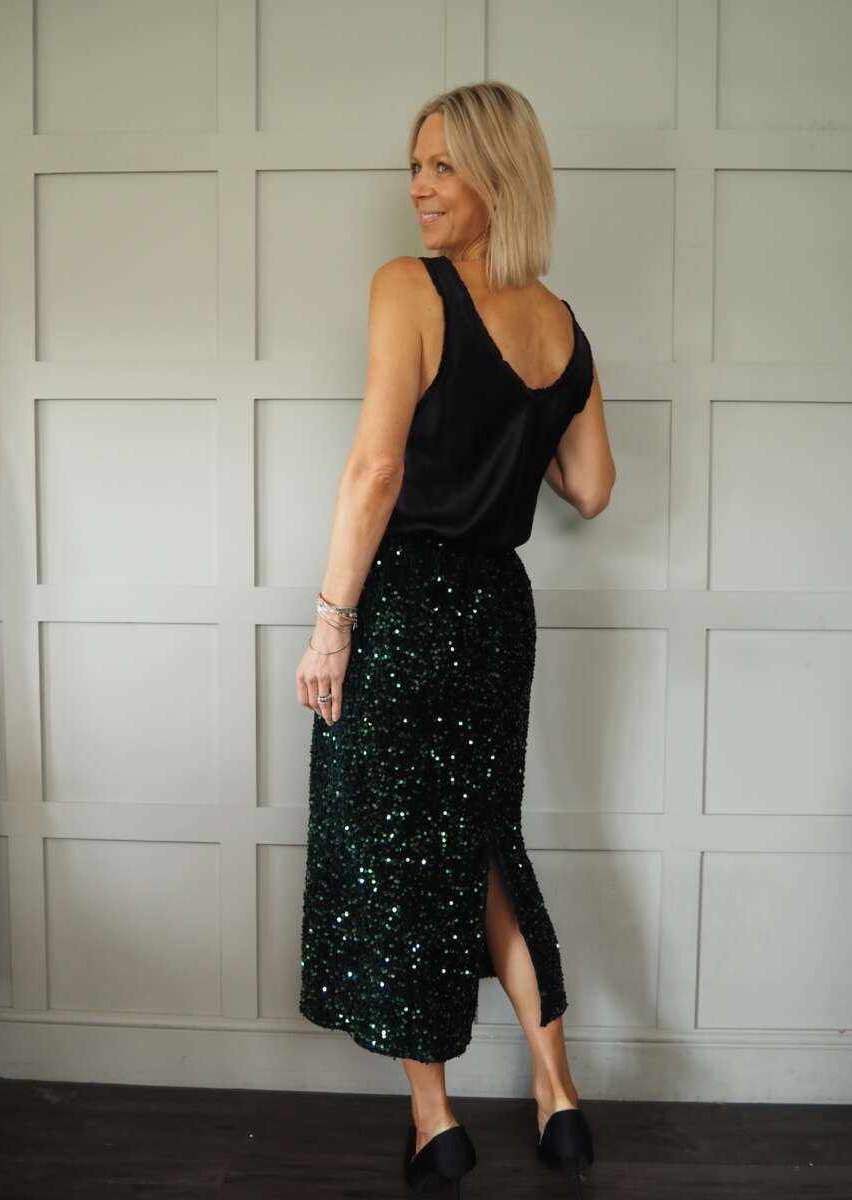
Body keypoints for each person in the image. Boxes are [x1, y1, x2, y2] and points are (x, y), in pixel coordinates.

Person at [296, 81, 616, 1196]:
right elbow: (593, 488)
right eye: (415, 167)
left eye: (442, 166)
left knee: (399, 862)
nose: (419, 188)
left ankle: (436, 1123)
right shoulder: (563, 324)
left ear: (498, 175)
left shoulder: (409, 289)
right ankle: (558, 1097)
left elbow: (376, 468)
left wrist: (332, 625)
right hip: (497, 611)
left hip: (403, 605)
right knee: (480, 847)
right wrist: (520, 436)